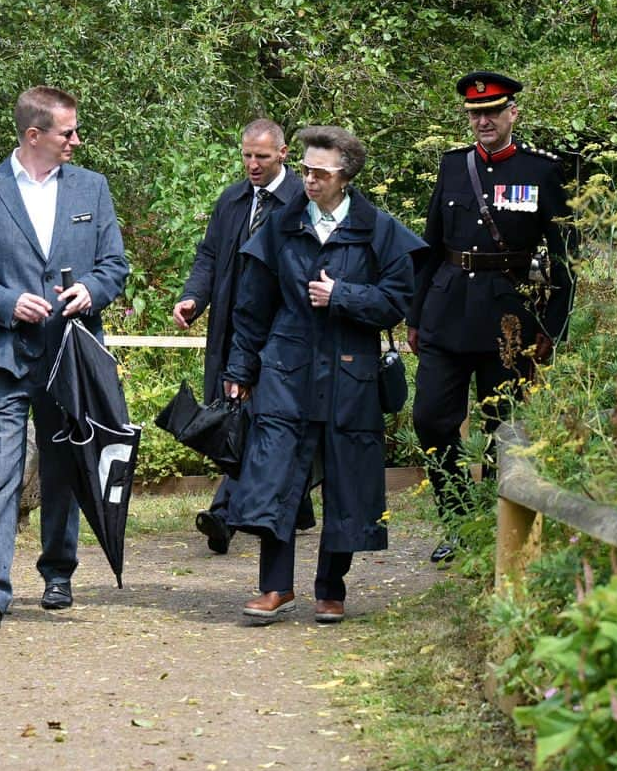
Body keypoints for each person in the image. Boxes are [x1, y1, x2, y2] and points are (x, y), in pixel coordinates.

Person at [222, 126, 426, 624]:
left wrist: (343, 297)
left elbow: (398, 302)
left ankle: (331, 589)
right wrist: (240, 367)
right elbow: (253, 306)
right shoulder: (280, 225)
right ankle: (274, 588)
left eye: (319, 172)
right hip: (286, 369)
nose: (308, 179)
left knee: (349, 481)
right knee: (275, 474)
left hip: (350, 374)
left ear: (346, 175)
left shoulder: (379, 229)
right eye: (306, 169)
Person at [0, 85, 129, 632]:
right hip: (4, 356)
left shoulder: (92, 189)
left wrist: (91, 292)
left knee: (62, 469)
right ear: (34, 135)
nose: (76, 140)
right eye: (67, 132)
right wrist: (6, 303)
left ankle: (58, 573)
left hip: (70, 357)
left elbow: (115, 266)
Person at [407, 71, 575, 563]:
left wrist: (552, 328)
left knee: (504, 427)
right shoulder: (454, 166)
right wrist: (415, 315)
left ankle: (501, 533)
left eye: (492, 112)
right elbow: (431, 245)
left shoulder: (542, 170)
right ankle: (458, 519)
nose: (482, 120)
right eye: (475, 114)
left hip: (509, 320)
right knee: (431, 421)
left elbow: (567, 256)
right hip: (445, 311)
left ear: (511, 115)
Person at [172, 119, 313, 554]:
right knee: (237, 414)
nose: (252, 164)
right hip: (230, 328)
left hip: (280, 332)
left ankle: (224, 514)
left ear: (284, 154)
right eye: (247, 155)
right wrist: (193, 299)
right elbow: (210, 256)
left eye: (262, 157)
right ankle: (298, 506)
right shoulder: (231, 200)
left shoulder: (303, 201)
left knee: (259, 416)